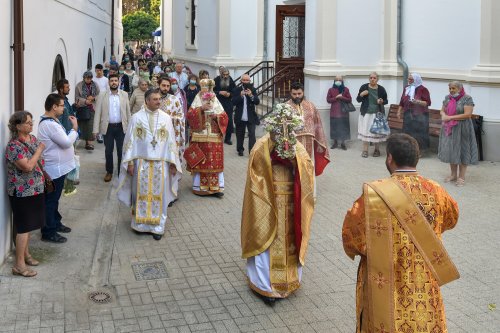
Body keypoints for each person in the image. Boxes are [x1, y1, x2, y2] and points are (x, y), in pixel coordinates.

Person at [342, 133, 460, 333]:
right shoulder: (437, 190)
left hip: (385, 274)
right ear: (417, 158)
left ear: (389, 158)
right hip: (424, 272)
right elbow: (451, 218)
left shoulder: (374, 195)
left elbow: (353, 235)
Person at [241, 103, 314, 305]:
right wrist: (272, 156)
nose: (283, 130)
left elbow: (307, 171)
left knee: (290, 240)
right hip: (268, 201)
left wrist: (293, 161)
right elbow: (255, 173)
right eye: (279, 126)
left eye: (287, 126)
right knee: (268, 240)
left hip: (291, 203)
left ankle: (289, 281)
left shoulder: (297, 147)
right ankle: (265, 287)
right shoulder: (261, 145)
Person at [117, 88, 182, 241]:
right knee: (141, 193)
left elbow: (171, 141)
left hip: (161, 163)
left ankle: (158, 226)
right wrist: (130, 163)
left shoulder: (166, 118)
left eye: (160, 99)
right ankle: (140, 225)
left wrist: (173, 163)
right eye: (155, 99)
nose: (159, 101)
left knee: (160, 194)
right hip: (141, 163)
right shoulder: (136, 118)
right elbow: (129, 143)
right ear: (147, 101)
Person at [6, 111, 46, 277]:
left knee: (29, 226)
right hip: (21, 192)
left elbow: (39, 162)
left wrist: (38, 152)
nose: (31, 125)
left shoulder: (32, 139)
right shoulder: (13, 146)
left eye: (32, 122)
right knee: (23, 227)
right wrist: (40, 150)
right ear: (17, 126)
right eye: (28, 123)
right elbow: (28, 166)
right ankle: (18, 265)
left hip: (36, 189)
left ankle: (26, 255)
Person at [38, 94, 79, 243]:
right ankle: (48, 231)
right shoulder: (49, 124)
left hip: (59, 168)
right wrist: (75, 129)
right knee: (51, 200)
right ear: (54, 107)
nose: (64, 108)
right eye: (62, 105)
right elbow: (67, 142)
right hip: (53, 170)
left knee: (54, 200)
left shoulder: (52, 122)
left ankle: (55, 223)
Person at [185, 79, 228, 196]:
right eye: (204, 88)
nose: (207, 91)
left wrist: (216, 116)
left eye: (209, 88)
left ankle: (217, 188)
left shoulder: (215, 99)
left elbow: (224, 116)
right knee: (201, 160)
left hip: (214, 136)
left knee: (215, 161)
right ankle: (200, 187)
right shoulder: (197, 99)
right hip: (200, 136)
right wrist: (201, 109)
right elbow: (189, 115)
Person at [438, 81, 478, 186]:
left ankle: (461, 177)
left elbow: (468, 114)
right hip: (450, 128)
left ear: (460, 89)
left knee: (463, 150)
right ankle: (453, 175)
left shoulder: (467, 98)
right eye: (450, 88)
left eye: (453, 88)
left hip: (463, 128)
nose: (451, 90)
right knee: (452, 150)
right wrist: (443, 115)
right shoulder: (448, 98)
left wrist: (450, 117)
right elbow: (442, 110)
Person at [93, 73, 131, 182]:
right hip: (108, 128)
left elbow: (128, 112)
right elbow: (98, 113)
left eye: (115, 80)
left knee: (121, 151)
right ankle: (109, 171)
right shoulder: (102, 95)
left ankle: (120, 172)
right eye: (112, 81)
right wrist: (95, 130)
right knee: (108, 151)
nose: (114, 82)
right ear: (108, 82)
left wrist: (130, 127)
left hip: (121, 127)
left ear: (118, 82)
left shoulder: (124, 95)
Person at [287, 82, 330, 176]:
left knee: (307, 164)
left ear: (303, 93)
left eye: (299, 93)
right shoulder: (285, 107)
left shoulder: (311, 106)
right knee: (294, 166)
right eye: (294, 94)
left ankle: (308, 187)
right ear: (291, 93)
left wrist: (320, 142)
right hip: (293, 142)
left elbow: (318, 123)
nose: (297, 96)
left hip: (309, 141)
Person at [356, 72, 388, 158]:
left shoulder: (381, 89)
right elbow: (358, 99)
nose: (372, 79)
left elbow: (386, 101)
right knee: (365, 130)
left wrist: (381, 101)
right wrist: (362, 94)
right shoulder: (364, 87)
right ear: (369, 78)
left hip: (378, 113)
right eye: (371, 78)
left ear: (377, 79)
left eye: (374, 78)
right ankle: (365, 150)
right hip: (366, 113)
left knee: (376, 132)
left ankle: (377, 150)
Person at [397, 73, 431, 151]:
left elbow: (428, 103)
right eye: (408, 79)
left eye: (411, 79)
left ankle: (420, 150)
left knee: (419, 133)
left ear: (416, 80)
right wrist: (399, 111)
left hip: (420, 115)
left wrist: (417, 102)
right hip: (408, 113)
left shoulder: (423, 89)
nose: (409, 81)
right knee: (407, 132)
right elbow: (402, 101)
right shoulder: (407, 88)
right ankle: (408, 149)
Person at [158, 76, 186, 171]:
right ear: (159, 85)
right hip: (154, 134)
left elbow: (181, 116)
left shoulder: (174, 99)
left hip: (170, 134)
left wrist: (169, 118)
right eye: (163, 85)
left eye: (168, 86)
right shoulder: (153, 97)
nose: (165, 88)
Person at [56, 79, 78, 195]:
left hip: (71, 133)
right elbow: (59, 120)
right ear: (61, 89)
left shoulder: (66, 101)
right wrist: (64, 134)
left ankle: (70, 181)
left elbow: (68, 114)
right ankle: (67, 185)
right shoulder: (60, 102)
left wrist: (75, 106)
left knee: (71, 158)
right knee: (68, 160)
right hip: (66, 135)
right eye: (67, 87)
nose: (69, 88)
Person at [232, 74, 260, 156]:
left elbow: (257, 102)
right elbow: (233, 101)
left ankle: (252, 151)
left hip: (251, 116)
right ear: (241, 81)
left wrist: (251, 95)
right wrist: (240, 95)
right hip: (240, 116)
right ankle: (240, 150)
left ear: (249, 81)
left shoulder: (253, 89)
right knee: (240, 134)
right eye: (243, 80)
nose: (245, 82)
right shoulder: (236, 90)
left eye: (247, 80)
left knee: (252, 134)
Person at [75, 71, 100, 150]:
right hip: (83, 108)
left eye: (90, 78)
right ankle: (86, 141)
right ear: (84, 78)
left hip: (93, 108)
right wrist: (85, 101)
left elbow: (99, 95)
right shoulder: (79, 86)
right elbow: (76, 98)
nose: (89, 80)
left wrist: (93, 98)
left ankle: (89, 143)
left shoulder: (95, 85)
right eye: (87, 78)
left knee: (91, 125)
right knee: (84, 125)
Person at [326, 75, 352, 150]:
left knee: (344, 128)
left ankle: (343, 143)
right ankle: (335, 143)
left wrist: (342, 97)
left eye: (340, 80)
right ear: (334, 81)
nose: (338, 81)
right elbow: (328, 100)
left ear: (342, 81)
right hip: (334, 112)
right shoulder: (330, 90)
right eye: (336, 80)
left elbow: (349, 99)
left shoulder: (346, 89)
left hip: (344, 112)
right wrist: (336, 98)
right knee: (334, 128)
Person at [215, 68, 236, 145]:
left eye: (227, 74)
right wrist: (220, 92)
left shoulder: (230, 80)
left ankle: (228, 138)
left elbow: (234, 90)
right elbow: (212, 91)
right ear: (221, 74)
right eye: (224, 74)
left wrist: (230, 94)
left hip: (228, 103)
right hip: (219, 103)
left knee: (229, 121)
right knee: (218, 120)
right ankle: (218, 137)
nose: (225, 76)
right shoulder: (217, 80)